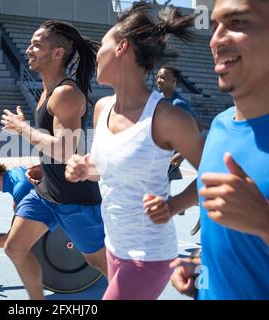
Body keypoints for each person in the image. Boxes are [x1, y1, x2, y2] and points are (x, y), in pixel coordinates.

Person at [65, 2, 203, 300]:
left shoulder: (166, 118)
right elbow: (106, 168)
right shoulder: (102, 109)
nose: (95, 53)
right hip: (114, 247)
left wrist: (174, 204)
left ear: (121, 47)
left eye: (102, 44)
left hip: (148, 255)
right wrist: (83, 168)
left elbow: (212, 172)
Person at [167, 0, 269, 299]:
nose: (216, 39)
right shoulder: (220, 127)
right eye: (214, 26)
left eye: (237, 23)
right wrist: (202, 267)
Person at [0, 20, 107, 300]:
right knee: (14, 247)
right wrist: (43, 166)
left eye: (37, 45)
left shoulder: (66, 93)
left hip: (76, 199)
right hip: (48, 193)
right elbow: (53, 149)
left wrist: (22, 129)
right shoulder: (47, 91)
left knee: (101, 264)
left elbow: (64, 150)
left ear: (58, 53)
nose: (28, 50)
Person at [157, 64, 202, 188]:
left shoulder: (178, 104)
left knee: (160, 194)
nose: (159, 80)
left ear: (174, 81)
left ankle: (178, 207)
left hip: (168, 159)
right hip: (155, 156)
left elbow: (198, 128)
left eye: (163, 78)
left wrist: (182, 154)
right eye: (158, 77)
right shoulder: (156, 100)